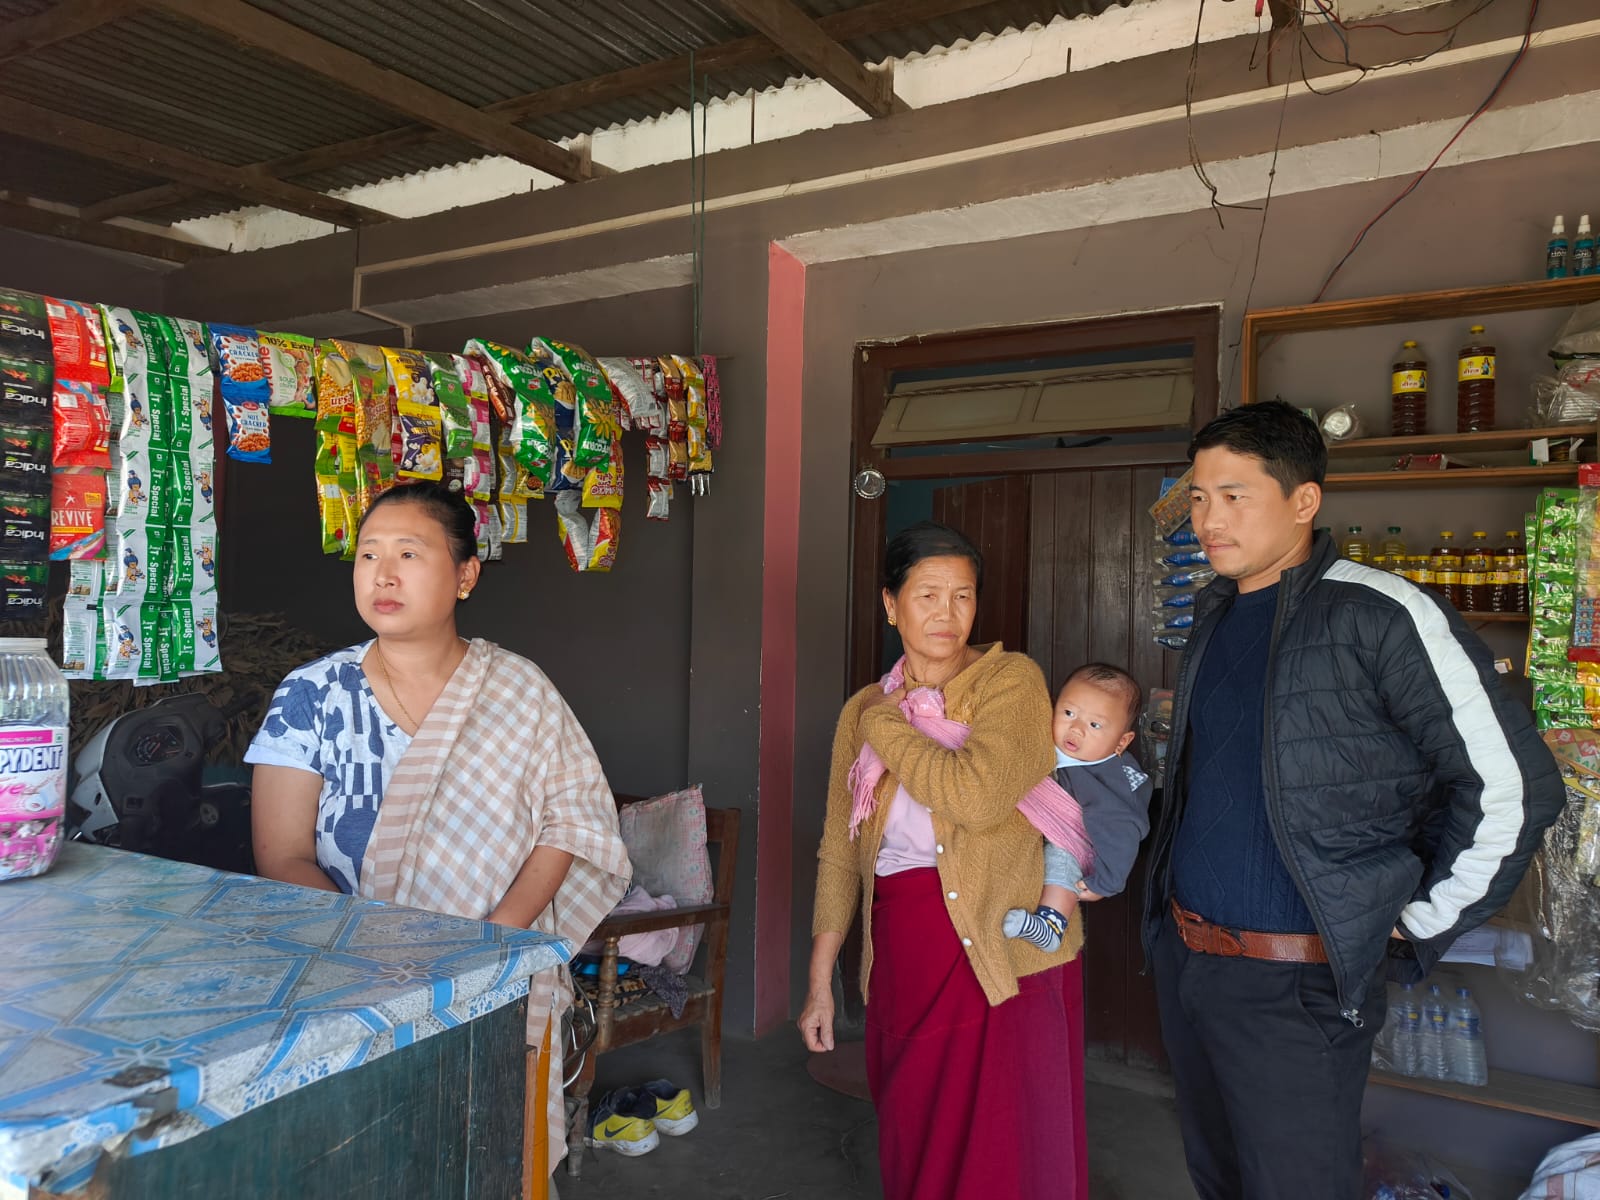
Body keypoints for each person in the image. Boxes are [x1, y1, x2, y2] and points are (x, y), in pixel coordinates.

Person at [1142, 401, 1565, 1200]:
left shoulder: (1379, 614)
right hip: (1192, 963)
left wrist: (1420, 918)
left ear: (1304, 501)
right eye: (1198, 497)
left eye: (1234, 495)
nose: (1208, 519)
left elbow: (1514, 787)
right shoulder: (1215, 616)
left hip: (1297, 984)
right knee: (1217, 1177)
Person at [247, 481, 630, 1186]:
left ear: (465, 575)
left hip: (498, 980)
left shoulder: (518, 689)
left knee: (491, 1160)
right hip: (352, 982)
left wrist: (485, 953)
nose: (382, 574)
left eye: (408, 553)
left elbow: (570, 823)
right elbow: (282, 854)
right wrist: (390, 958)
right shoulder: (312, 695)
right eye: (367, 555)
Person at [799, 520, 1077, 1200]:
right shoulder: (860, 712)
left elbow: (977, 796)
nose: (946, 614)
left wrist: (889, 725)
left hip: (1001, 947)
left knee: (1003, 1144)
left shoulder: (1010, 681)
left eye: (962, 595)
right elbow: (840, 847)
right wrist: (819, 979)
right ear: (891, 606)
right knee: (916, 1124)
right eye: (926, 595)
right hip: (905, 945)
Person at [1004, 663, 1155, 953]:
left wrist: (1106, 882)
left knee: (1063, 857)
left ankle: (1050, 925)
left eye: (1094, 725)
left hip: (1089, 844)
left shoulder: (1108, 784)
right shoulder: (1051, 743)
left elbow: (1121, 833)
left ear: (1121, 742)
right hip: (1040, 828)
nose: (1076, 728)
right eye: (1068, 713)